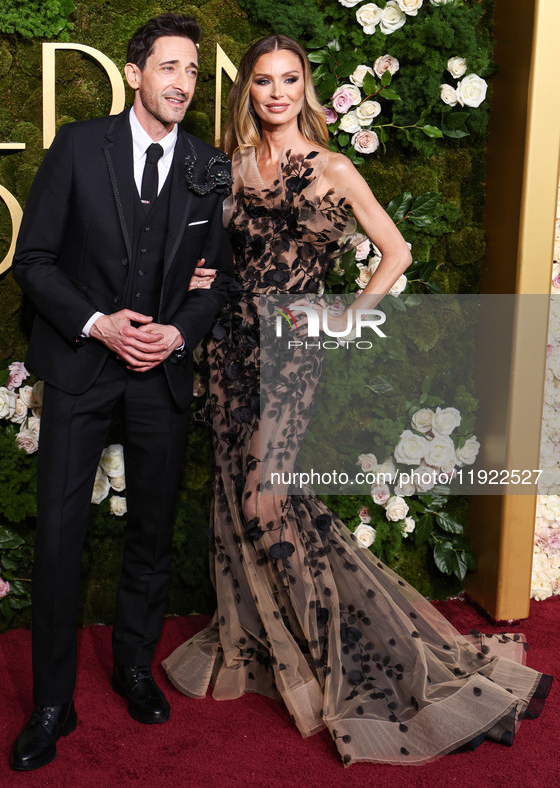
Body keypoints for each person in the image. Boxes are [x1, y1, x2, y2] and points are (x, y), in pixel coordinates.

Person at [162, 35, 551, 765]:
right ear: (248, 89)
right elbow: (212, 253)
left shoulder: (332, 166)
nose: (275, 93)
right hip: (228, 349)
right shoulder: (230, 167)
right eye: (263, 81)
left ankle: (370, 649)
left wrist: (344, 318)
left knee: (266, 499)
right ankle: (276, 645)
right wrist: (195, 288)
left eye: (289, 80)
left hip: (291, 353)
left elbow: (395, 250)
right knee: (238, 497)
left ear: (305, 87)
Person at [9, 13, 233, 772]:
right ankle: (51, 702)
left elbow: (215, 282)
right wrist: (100, 324)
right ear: (135, 74)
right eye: (169, 67)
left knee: (150, 534)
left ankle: (134, 667)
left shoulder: (209, 165)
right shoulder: (79, 146)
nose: (182, 83)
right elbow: (34, 261)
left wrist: (177, 334)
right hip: (81, 366)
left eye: (193, 71)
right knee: (60, 538)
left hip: (159, 375)